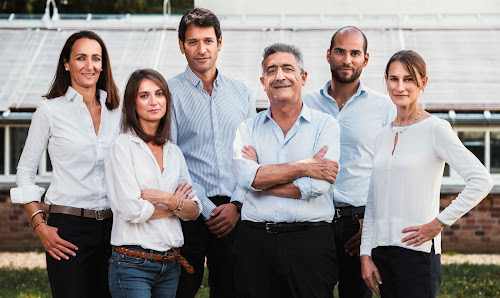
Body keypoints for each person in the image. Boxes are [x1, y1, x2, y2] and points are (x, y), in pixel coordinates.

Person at [360, 50, 494, 297]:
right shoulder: (381, 136)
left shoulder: (436, 129)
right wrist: (365, 253)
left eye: (409, 79)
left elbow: (481, 180)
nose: (400, 86)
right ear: (386, 80)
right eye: (394, 79)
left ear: (423, 82)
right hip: (381, 253)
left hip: (417, 254)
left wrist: (439, 223)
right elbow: (373, 200)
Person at [9, 30, 121, 297]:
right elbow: (25, 172)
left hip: (115, 228)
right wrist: (39, 225)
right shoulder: (50, 110)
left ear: (103, 64)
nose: (89, 65)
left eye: (96, 58)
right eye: (81, 57)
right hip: (68, 229)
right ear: (66, 63)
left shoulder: (118, 110)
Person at [232, 43, 340, 298]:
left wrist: (261, 181)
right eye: (272, 70)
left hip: (309, 244)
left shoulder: (326, 126)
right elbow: (246, 178)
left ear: (303, 77)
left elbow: (317, 186)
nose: (279, 76)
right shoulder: (246, 128)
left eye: (287, 68)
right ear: (263, 81)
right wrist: (304, 166)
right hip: (255, 244)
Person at [167, 7, 256, 298]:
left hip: (235, 210)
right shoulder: (168, 93)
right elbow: (171, 158)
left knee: (233, 289)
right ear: (182, 46)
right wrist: (205, 209)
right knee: (182, 288)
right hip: (189, 210)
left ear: (219, 42)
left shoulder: (241, 92)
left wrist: (237, 204)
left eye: (208, 40)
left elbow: (251, 154)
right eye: (193, 42)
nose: (201, 49)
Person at [303, 26, 396, 297]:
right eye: (340, 51)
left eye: (355, 53)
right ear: (328, 55)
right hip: (313, 219)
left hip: (359, 222)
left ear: (366, 59)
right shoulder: (304, 104)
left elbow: (390, 170)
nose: (347, 59)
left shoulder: (384, 107)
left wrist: (372, 222)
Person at [105, 69, 201, 297]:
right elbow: (131, 210)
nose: (154, 102)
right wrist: (177, 206)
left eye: (159, 94)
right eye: (144, 95)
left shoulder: (174, 152)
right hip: (132, 264)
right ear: (132, 103)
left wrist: (166, 199)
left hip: (170, 264)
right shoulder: (122, 147)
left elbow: (195, 211)